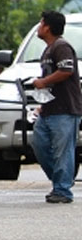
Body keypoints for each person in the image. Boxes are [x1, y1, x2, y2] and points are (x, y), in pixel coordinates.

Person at [31, 11, 82, 204]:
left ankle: (62, 190)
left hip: (66, 110)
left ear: (48, 27)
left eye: (41, 23)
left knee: (63, 151)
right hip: (49, 109)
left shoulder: (61, 46)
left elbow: (66, 71)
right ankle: (62, 181)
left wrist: (42, 82)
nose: (39, 27)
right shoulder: (48, 50)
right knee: (39, 144)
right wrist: (41, 105)